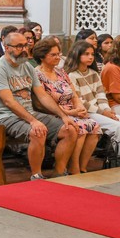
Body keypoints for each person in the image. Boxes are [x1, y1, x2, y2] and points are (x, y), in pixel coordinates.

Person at [0, 32, 78, 180]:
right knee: (37, 131)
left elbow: (42, 95)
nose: (24, 49)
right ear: (7, 47)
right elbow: (9, 102)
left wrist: (63, 116)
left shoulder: (26, 66)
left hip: (28, 113)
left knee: (70, 130)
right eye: (19, 46)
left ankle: (59, 172)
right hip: (4, 117)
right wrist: (33, 121)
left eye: (26, 45)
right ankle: (36, 175)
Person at [66, 40, 120, 161]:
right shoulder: (71, 75)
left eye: (92, 54)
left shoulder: (93, 73)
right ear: (77, 55)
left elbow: (101, 96)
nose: (90, 57)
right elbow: (80, 101)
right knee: (118, 127)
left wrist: (107, 110)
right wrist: (103, 112)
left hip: (101, 110)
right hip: (87, 112)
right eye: (86, 54)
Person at [33, 40, 100, 175]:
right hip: (54, 111)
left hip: (72, 110)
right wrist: (70, 112)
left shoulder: (60, 72)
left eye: (59, 54)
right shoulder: (37, 74)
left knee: (94, 126)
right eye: (53, 55)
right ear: (42, 57)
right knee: (78, 127)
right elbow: (42, 103)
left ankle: (82, 166)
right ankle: (73, 167)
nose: (58, 57)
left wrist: (80, 108)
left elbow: (74, 94)